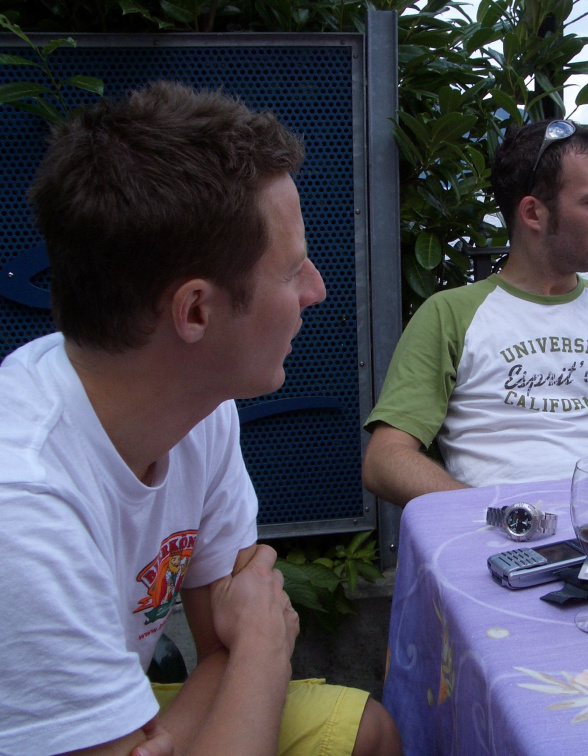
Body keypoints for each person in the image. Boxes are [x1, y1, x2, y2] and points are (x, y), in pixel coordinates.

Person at [0, 81, 401, 756]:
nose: (317, 290)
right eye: (292, 270)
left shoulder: (198, 411)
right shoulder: (23, 507)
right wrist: (265, 647)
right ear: (194, 312)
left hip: (114, 718)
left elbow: (220, 645)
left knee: (366, 734)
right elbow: (247, 640)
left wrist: (200, 700)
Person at [362, 119, 588, 506]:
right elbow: (384, 460)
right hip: (502, 531)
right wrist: (496, 515)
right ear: (533, 213)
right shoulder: (450, 314)